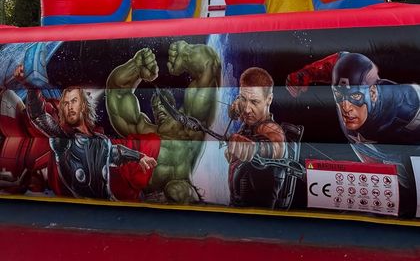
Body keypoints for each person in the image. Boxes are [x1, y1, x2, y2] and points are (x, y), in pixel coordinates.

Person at [285, 52, 420, 191]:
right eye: (339, 95)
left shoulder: (405, 102)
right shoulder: (347, 74)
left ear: (373, 93)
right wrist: (307, 73)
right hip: (369, 154)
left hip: (400, 157)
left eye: (355, 96)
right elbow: (341, 62)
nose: (346, 107)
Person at [106, 41, 220, 204]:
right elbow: (116, 93)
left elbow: (209, 65)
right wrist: (135, 67)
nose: (158, 109)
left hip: (183, 194)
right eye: (155, 107)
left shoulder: (187, 127)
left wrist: (185, 53)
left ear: (173, 106)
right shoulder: (145, 131)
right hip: (148, 199)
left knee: (176, 191)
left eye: (163, 104)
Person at [20, 80, 157, 201]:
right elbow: (38, 116)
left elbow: (115, 152)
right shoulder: (63, 139)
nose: (69, 107)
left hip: (108, 205)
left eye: (74, 101)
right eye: (66, 103)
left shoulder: (101, 141)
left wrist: (139, 157)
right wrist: (30, 85)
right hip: (80, 210)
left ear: (84, 105)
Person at [226, 67, 303, 209]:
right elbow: (238, 108)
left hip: (256, 216)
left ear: (269, 100)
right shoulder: (250, 117)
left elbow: (277, 146)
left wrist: (254, 148)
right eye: (243, 99)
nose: (247, 109)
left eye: (254, 102)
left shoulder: (270, 128)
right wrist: (235, 107)